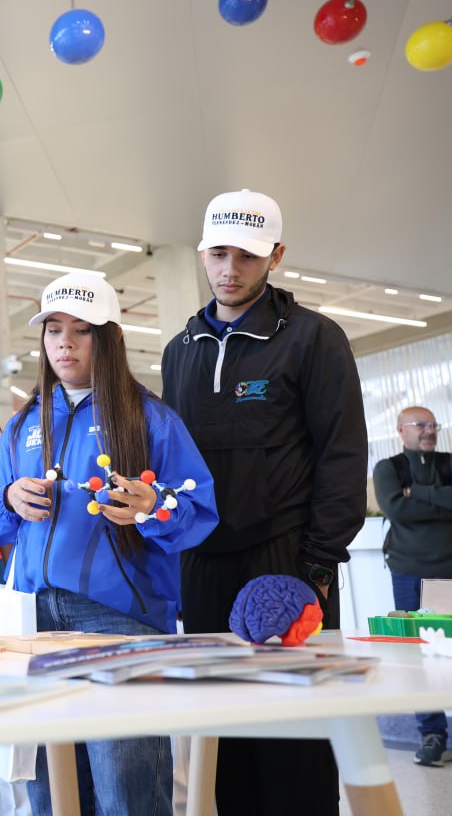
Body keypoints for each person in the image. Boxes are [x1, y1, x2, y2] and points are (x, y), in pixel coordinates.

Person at [160, 188, 367, 814]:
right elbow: (175, 467)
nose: (230, 269)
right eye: (219, 253)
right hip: (203, 563)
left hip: (284, 560)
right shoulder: (180, 350)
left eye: (246, 256)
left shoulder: (313, 339)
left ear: (275, 255)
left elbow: (341, 454)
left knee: (293, 741)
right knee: (222, 740)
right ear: (202, 254)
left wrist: (317, 564)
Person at [0, 273, 217, 816]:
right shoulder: (22, 423)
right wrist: (11, 498)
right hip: (37, 619)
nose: (64, 342)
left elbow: (199, 514)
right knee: (51, 790)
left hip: (122, 619)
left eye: (82, 330)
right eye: (54, 330)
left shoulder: (150, 417)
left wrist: (152, 507)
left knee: (126, 791)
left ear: (109, 338)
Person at [373, 406, 452, 767]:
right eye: (420, 425)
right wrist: (447, 496)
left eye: (433, 424)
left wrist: (420, 493)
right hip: (410, 573)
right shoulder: (388, 468)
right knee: (417, 658)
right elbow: (396, 510)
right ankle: (433, 737)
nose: (429, 430)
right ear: (401, 430)